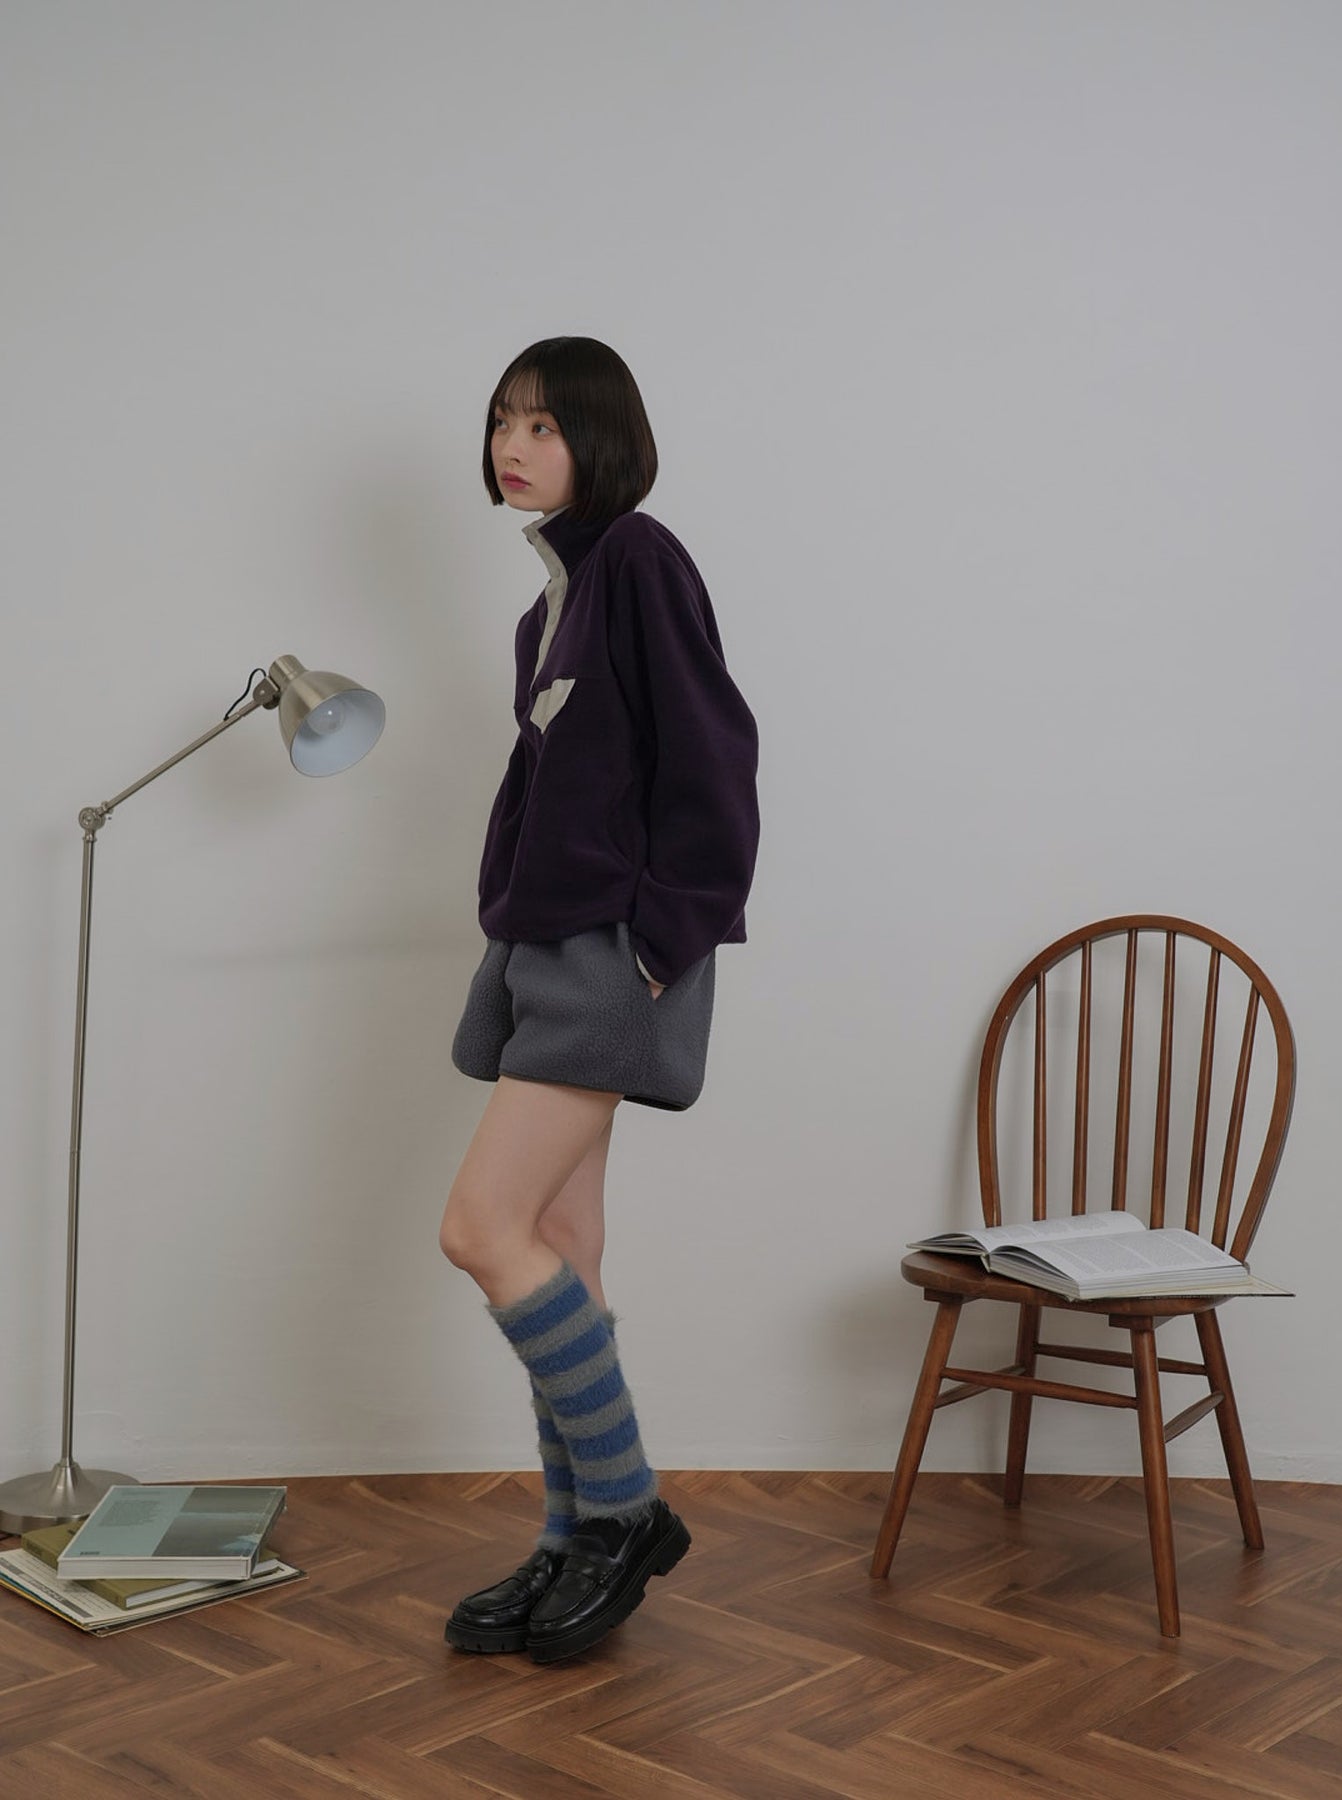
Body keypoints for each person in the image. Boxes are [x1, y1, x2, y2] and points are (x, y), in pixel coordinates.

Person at [439, 336, 759, 1665]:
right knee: (561, 1244)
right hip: (543, 946)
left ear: (601, 440)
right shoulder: (547, 609)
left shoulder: (638, 559)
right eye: (504, 422)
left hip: (610, 954)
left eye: (547, 426)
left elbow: (716, 754)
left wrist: (663, 944)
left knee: (479, 1229)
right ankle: (571, 1535)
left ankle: (623, 1514)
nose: (516, 446)